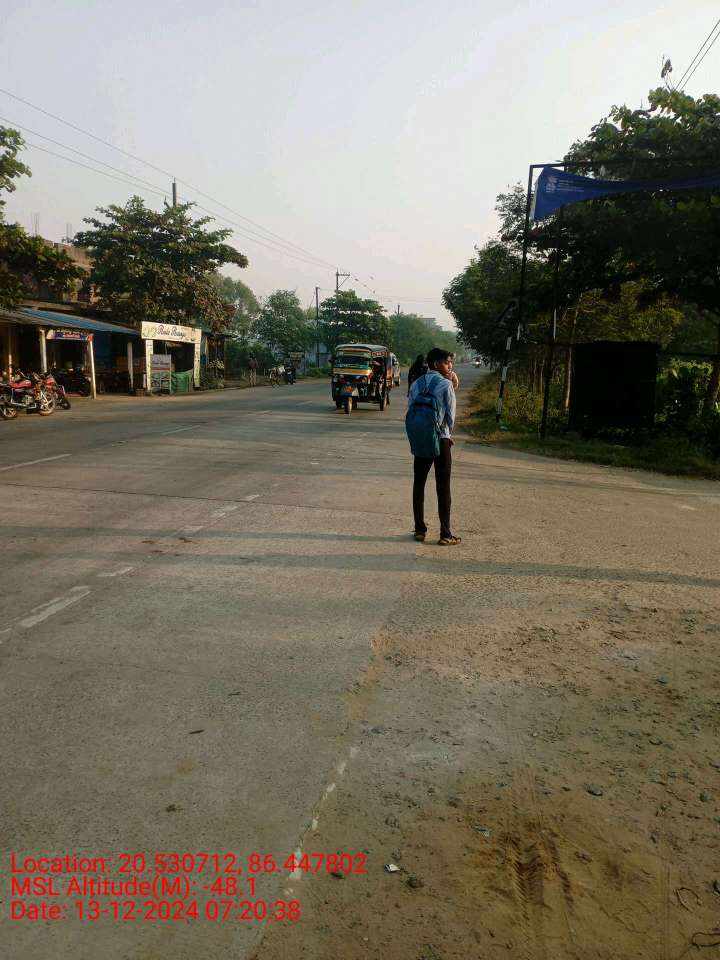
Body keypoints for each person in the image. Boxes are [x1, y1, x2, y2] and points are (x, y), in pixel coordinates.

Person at [408, 348, 461, 546]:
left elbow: (411, 409)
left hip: (422, 439)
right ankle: (445, 534)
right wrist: (446, 435)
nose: (450, 366)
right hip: (441, 439)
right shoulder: (446, 384)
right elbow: (450, 417)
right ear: (437, 364)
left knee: (419, 483)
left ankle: (419, 530)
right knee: (443, 486)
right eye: (447, 362)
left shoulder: (416, 383)